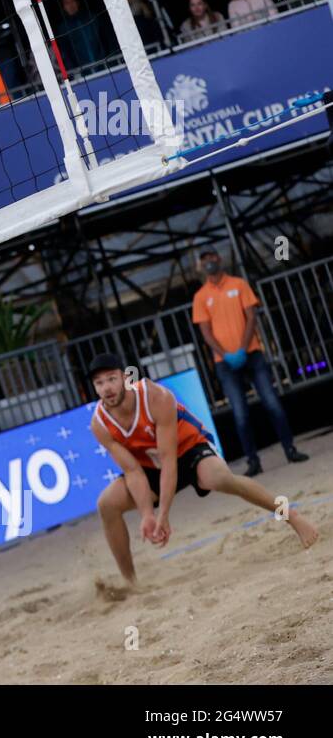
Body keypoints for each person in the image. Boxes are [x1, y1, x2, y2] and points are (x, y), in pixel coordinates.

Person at [88, 354, 318, 587]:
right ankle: (131, 583)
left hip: (189, 448)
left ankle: (292, 516)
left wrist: (163, 515)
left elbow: (169, 460)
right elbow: (133, 472)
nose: (106, 388)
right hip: (150, 466)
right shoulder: (99, 423)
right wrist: (147, 514)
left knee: (220, 479)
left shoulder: (156, 396)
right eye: (99, 383)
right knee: (106, 504)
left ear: (126, 378)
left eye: (111, 379)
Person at [191, 248, 310, 476]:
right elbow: (205, 332)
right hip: (224, 362)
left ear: (219, 257)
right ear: (200, 264)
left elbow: (252, 316)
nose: (209, 261)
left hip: (253, 353)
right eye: (204, 258)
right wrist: (226, 354)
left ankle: (291, 449)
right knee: (240, 414)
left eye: (211, 256)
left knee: (272, 403)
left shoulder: (239, 283)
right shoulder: (200, 296)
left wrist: (243, 349)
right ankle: (252, 462)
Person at [56, 0, 106, 68]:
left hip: (104, 64)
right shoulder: (63, 28)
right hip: (81, 72)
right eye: (67, 3)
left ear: (77, 2)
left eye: (72, 1)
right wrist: (74, 70)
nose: (71, 5)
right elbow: (65, 52)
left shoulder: (92, 18)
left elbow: (104, 39)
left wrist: (105, 58)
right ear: (63, 7)